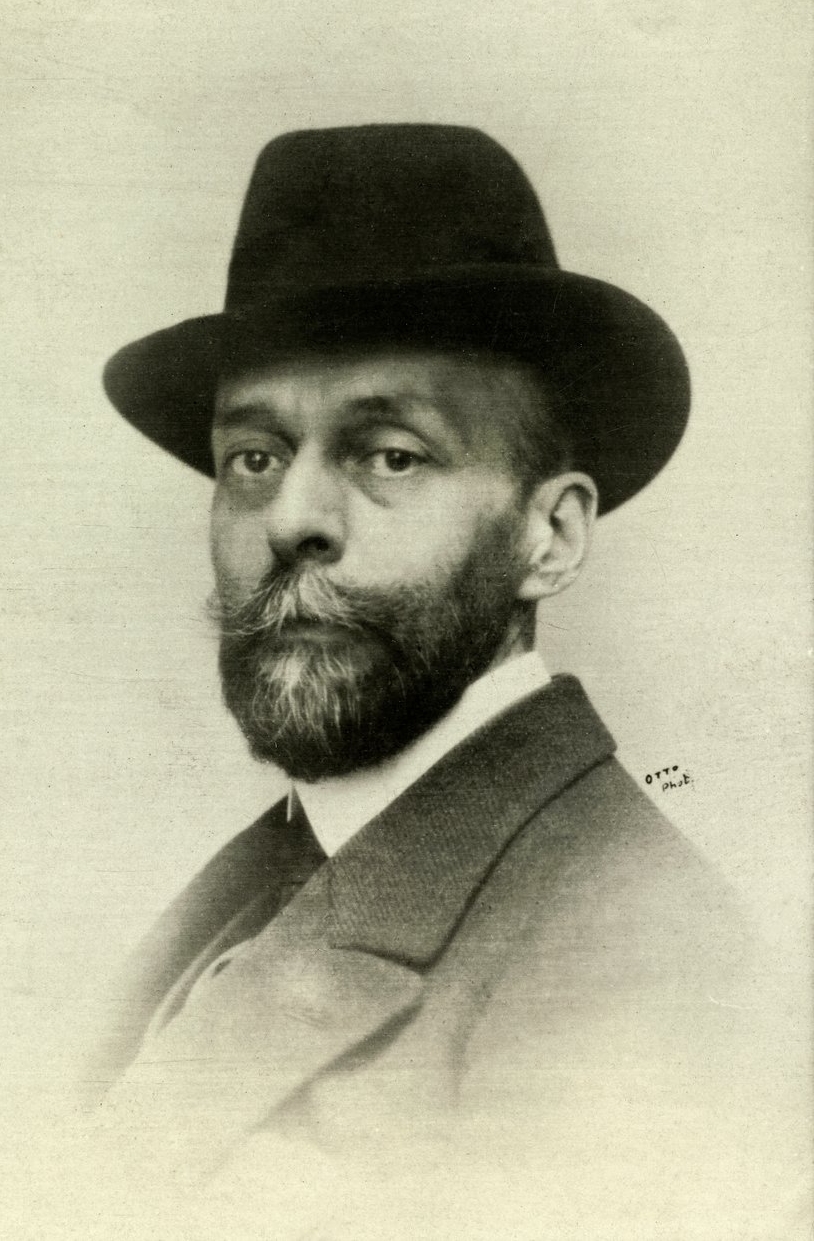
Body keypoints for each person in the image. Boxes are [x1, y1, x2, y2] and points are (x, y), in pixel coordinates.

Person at [89, 125, 794, 1239]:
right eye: (254, 458)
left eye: (391, 455)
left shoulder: (643, 975)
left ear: (549, 537)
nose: (293, 519)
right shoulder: (265, 878)